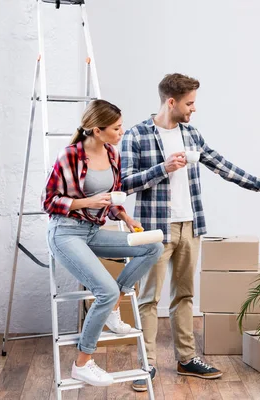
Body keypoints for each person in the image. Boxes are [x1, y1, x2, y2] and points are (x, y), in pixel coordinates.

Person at [120, 73, 260, 391]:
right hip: (155, 229)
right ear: (172, 102)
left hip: (190, 226)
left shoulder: (191, 134)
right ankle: (147, 364)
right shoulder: (137, 135)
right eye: (189, 103)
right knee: (149, 298)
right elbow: (124, 182)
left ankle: (186, 360)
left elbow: (220, 164)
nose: (194, 109)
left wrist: (259, 184)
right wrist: (162, 168)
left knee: (184, 295)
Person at [42, 99, 164, 387]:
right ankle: (82, 363)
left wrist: (125, 216)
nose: (121, 132)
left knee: (152, 246)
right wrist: (87, 202)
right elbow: (48, 202)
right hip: (65, 233)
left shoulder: (112, 155)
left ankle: (112, 306)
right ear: (97, 130)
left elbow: (111, 200)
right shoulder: (69, 155)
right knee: (104, 289)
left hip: (93, 232)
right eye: (117, 128)